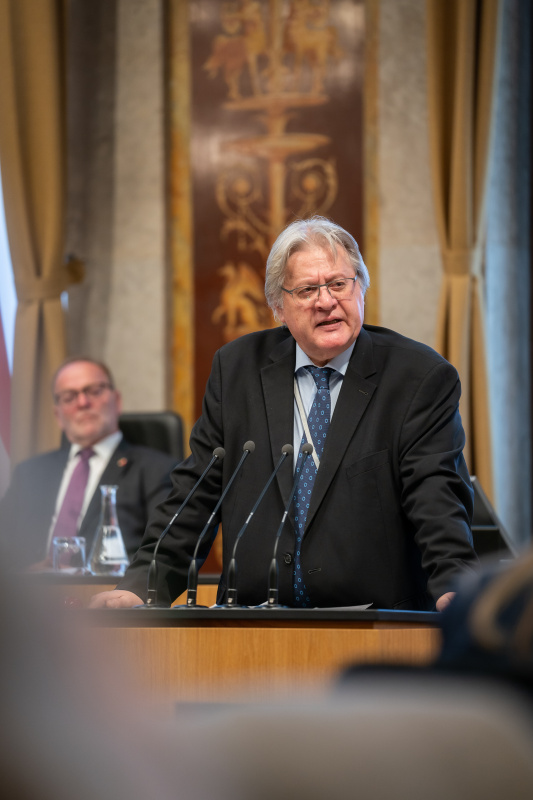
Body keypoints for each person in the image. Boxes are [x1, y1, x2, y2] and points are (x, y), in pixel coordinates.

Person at [91, 216, 478, 611]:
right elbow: (197, 492)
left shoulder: (417, 377)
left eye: (339, 284)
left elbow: (436, 494)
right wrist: (141, 586)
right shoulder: (237, 368)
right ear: (279, 307)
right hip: (252, 622)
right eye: (308, 289)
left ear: (361, 287)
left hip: (372, 622)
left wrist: (453, 585)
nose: (326, 301)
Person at [0, 357, 177, 570]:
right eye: (69, 397)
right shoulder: (29, 473)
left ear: (117, 400)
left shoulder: (157, 470)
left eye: (94, 391)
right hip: (31, 598)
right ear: (58, 415)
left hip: (112, 595)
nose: (83, 403)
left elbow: (166, 551)